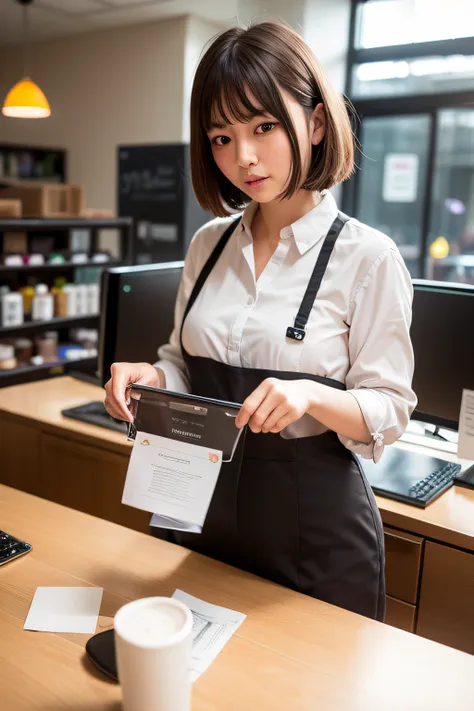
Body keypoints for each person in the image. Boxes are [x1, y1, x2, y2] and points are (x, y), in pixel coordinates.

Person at [105, 21, 417, 621]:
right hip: (204, 513)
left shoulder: (369, 258)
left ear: (317, 123)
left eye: (264, 127)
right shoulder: (207, 245)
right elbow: (180, 358)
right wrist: (152, 378)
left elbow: (390, 408)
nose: (242, 157)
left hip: (316, 536)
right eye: (221, 137)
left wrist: (309, 397)